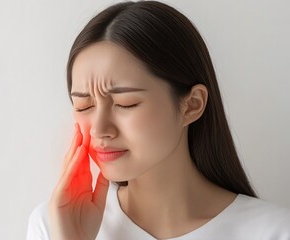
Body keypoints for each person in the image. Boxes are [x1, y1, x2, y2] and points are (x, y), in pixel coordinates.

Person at [26, 1, 290, 239]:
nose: (99, 129)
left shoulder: (275, 231)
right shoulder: (54, 225)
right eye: (84, 105)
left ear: (192, 105)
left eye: (125, 104)